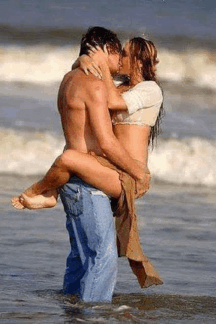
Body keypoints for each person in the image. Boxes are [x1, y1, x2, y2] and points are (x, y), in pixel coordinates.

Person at [12, 29, 164, 301]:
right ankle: (87, 316)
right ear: (106, 50)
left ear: (140, 62)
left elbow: (110, 102)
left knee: (84, 255)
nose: (120, 59)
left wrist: (85, 64)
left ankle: (48, 192)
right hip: (98, 176)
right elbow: (106, 135)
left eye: (126, 54)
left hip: (104, 176)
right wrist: (84, 63)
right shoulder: (108, 86)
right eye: (118, 52)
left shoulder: (146, 89)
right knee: (97, 256)